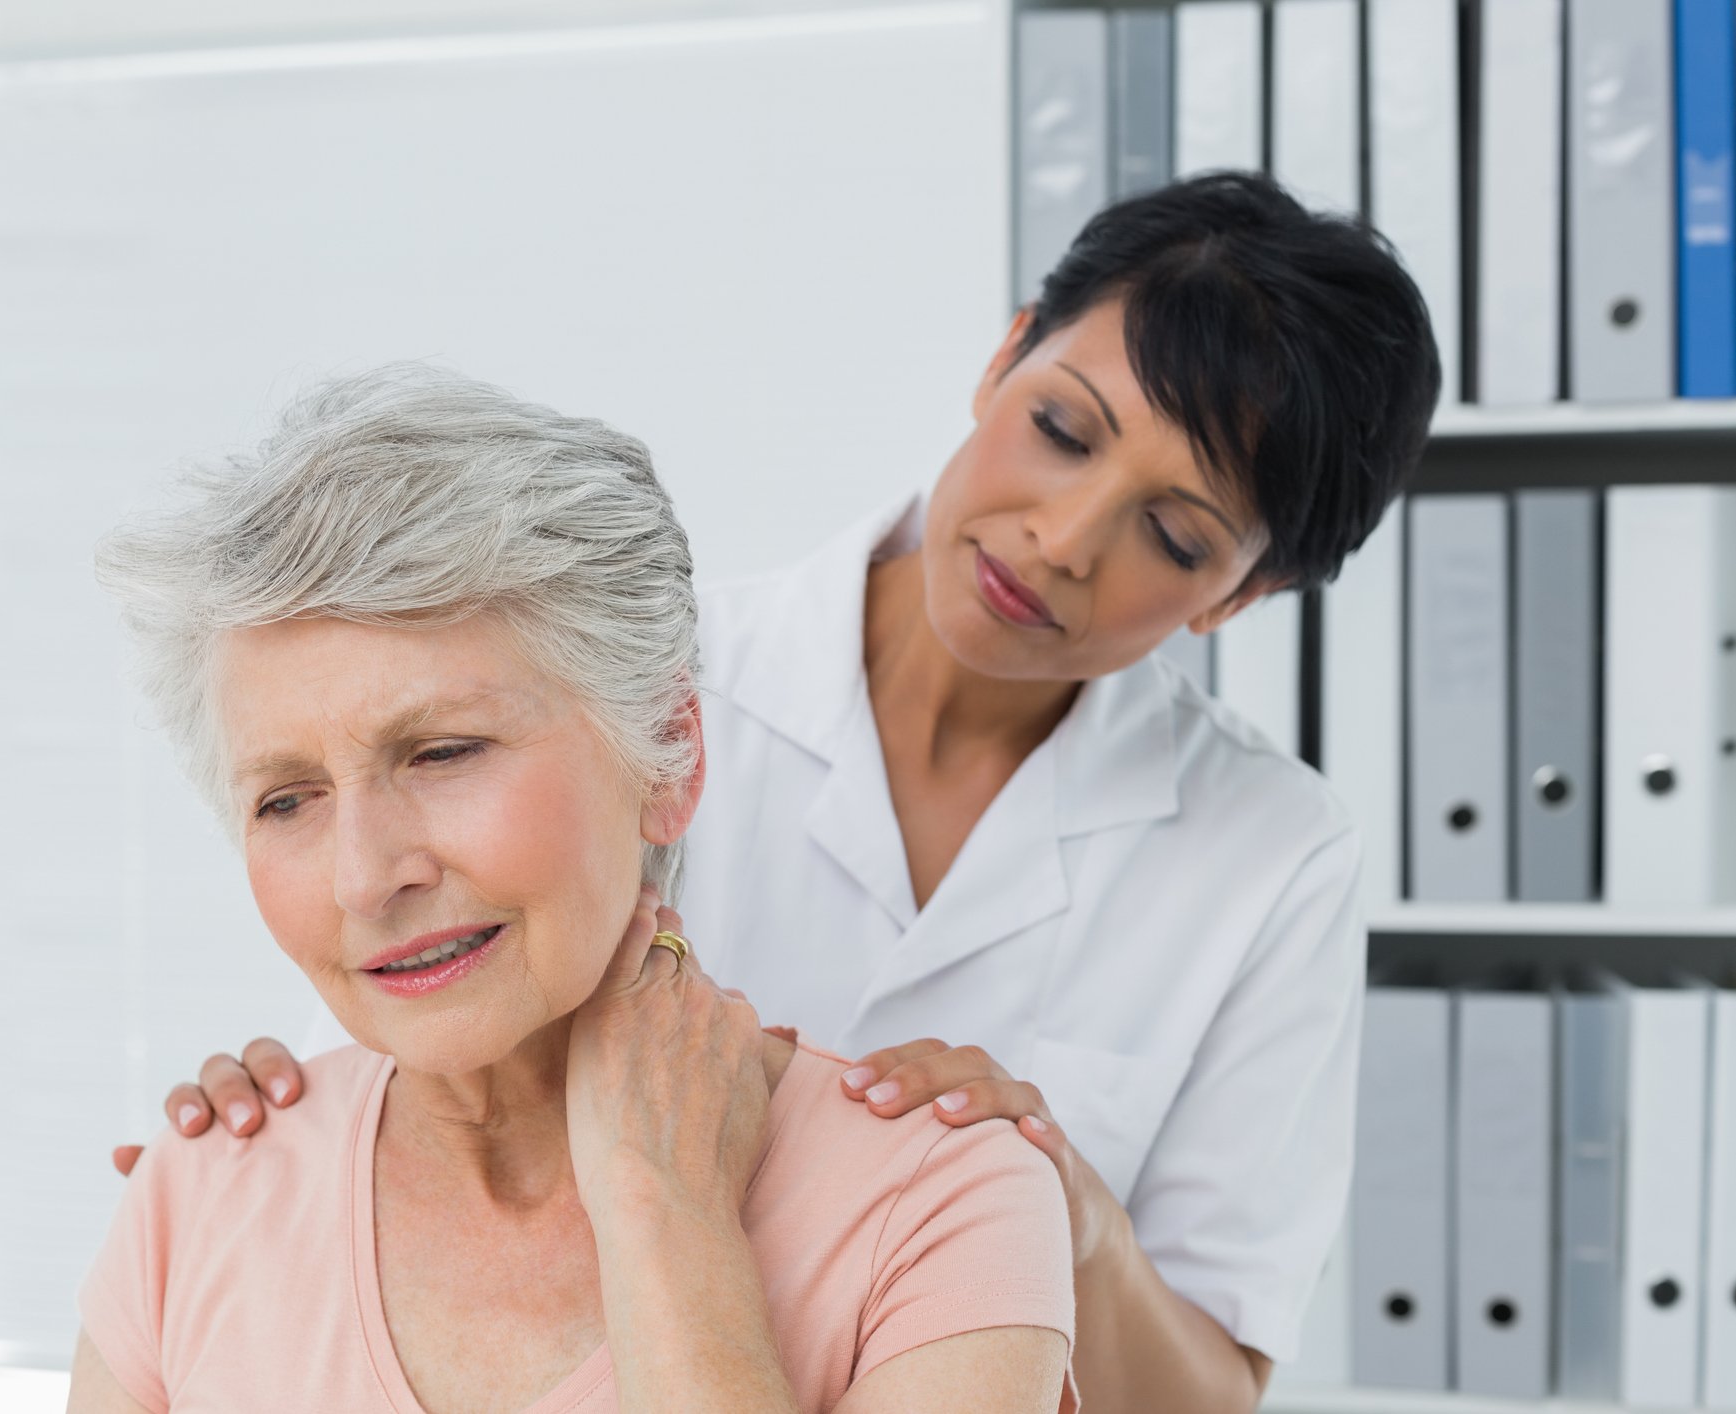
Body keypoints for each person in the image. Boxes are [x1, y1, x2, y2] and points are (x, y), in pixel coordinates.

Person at [127, 172, 1443, 1412]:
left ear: (1241, 595)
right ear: (1005, 354)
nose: (1062, 537)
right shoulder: (629, 674)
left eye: (1174, 533)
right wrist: (280, 1151)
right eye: (1060, 429)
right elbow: (409, 944)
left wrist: (1064, 1210)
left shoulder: (1269, 856)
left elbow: (1208, 1386)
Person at [70, 366, 1079, 1413]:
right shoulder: (194, 1200)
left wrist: (666, 1215)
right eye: (287, 799)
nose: (366, 878)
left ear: (669, 758)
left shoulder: (945, 1209)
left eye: (442, 752)